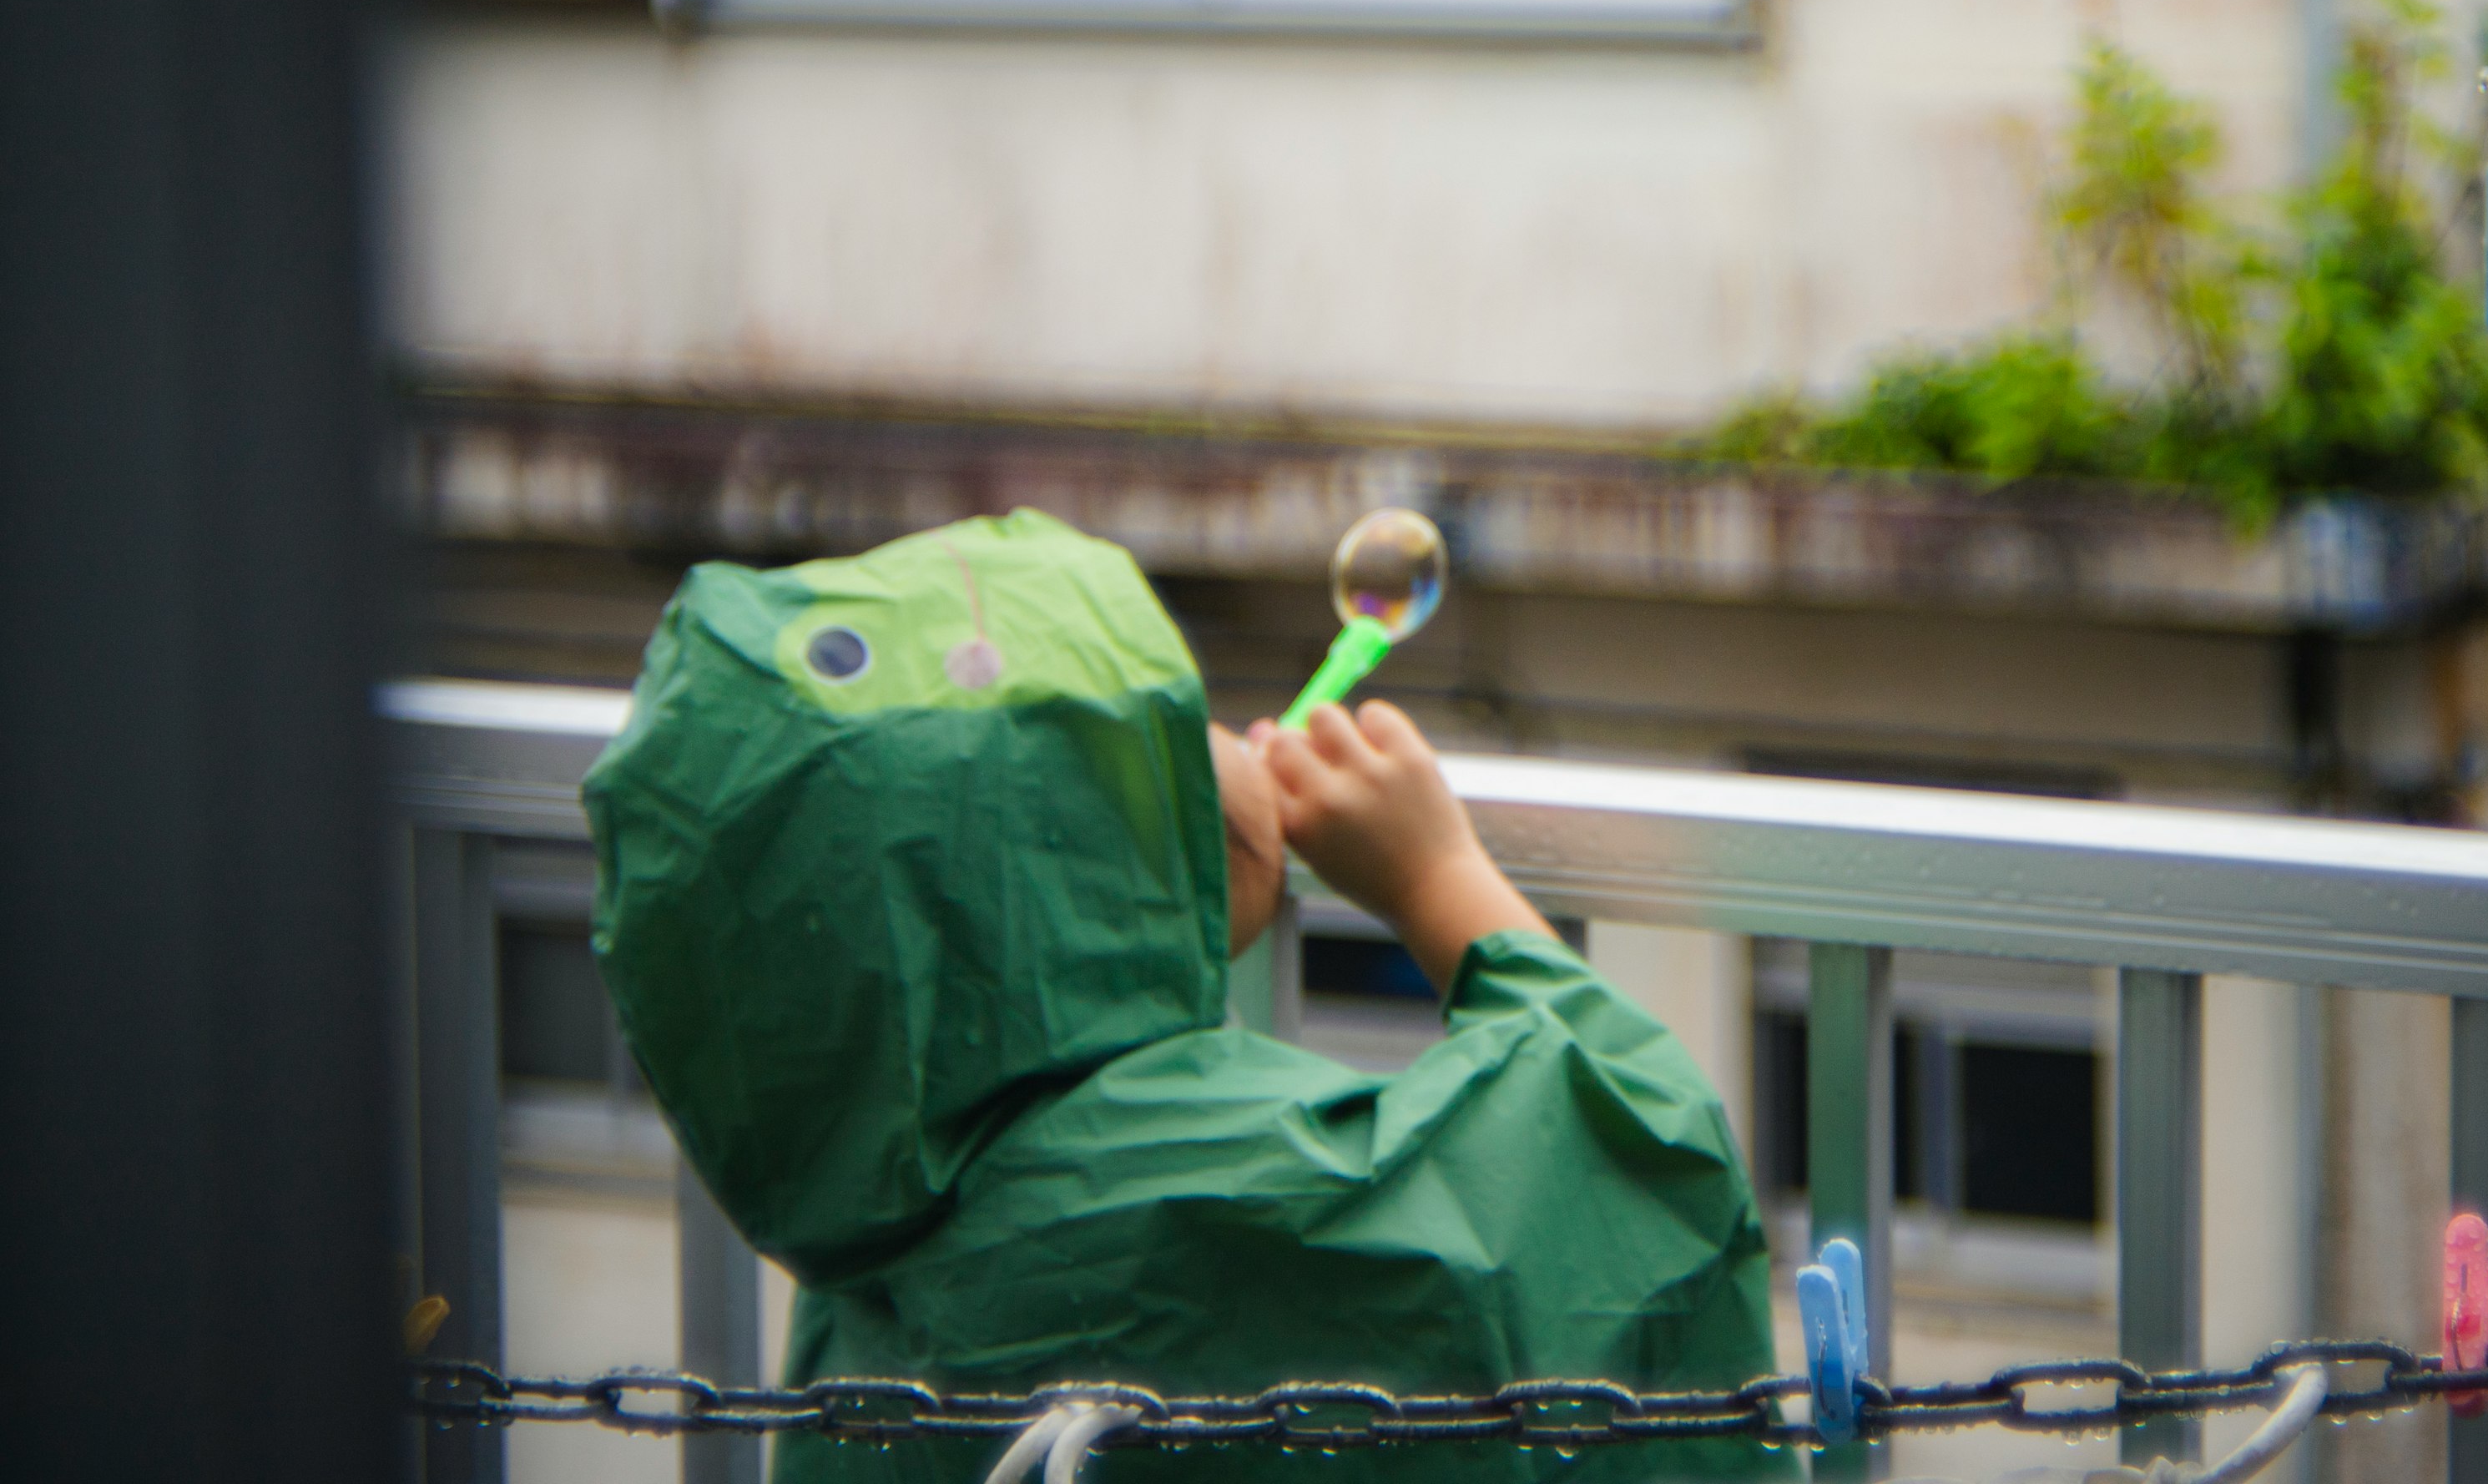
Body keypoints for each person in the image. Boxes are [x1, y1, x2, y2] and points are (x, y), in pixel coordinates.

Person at [585, 508, 1784, 1484]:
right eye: (1143, 727)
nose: (1213, 736)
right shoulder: (1270, 1197)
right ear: (1051, 858)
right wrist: (1437, 878)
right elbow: (1630, 1140)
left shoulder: (862, 1242)